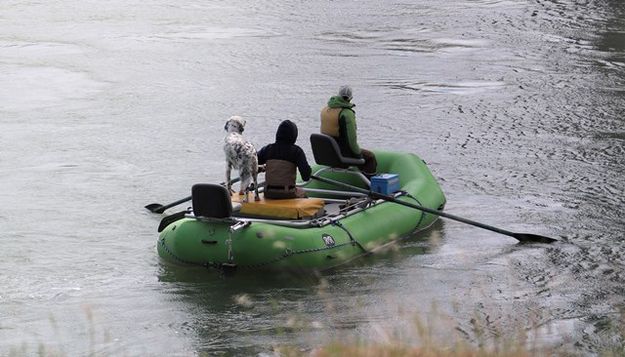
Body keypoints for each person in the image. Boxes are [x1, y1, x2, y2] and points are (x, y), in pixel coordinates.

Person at [320, 85, 377, 176]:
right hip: (341, 155)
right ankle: (370, 186)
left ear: (338, 95)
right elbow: (352, 141)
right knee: (370, 157)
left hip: (327, 153)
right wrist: (358, 156)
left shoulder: (325, 110)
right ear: (350, 98)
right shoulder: (346, 114)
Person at [257, 120, 312, 199]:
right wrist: (308, 170)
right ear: (294, 136)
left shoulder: (267, 149)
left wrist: (262, 168)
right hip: (288, 193)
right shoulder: (297, 151)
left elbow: (253, 163)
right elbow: (306, 177)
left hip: (268, 193)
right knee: (303, 193)